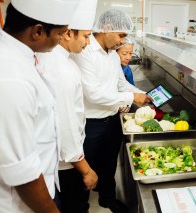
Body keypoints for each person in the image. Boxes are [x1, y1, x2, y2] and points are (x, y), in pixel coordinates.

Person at [0, 0, 80, 212]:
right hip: (20, 204)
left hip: (43, 186)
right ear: (38, 31)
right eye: (59, 34)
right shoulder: (9, 76)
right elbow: (22, 172)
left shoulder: (17, 53)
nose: (61, 40)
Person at [72, 9, 151, 213]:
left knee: (109, 164)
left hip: (111, 120)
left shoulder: (113, 57)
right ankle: (81, 206)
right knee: (85, 169)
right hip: (90, 123)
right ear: (106, 29)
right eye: (121, 35)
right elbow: (94, 94)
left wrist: (141, 93)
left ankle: (107, 199)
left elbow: (121, 84)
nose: (122, 41)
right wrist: (132, 98)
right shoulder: (85, 52)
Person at [36, 0, 98, 212]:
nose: (88, 43)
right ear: (68, 33)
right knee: (76, 206)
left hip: (64, 159)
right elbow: (65, 125)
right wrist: (86, 170)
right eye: (87, 36)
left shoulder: (58, 59)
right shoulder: (60, 68)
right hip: (66, 164)